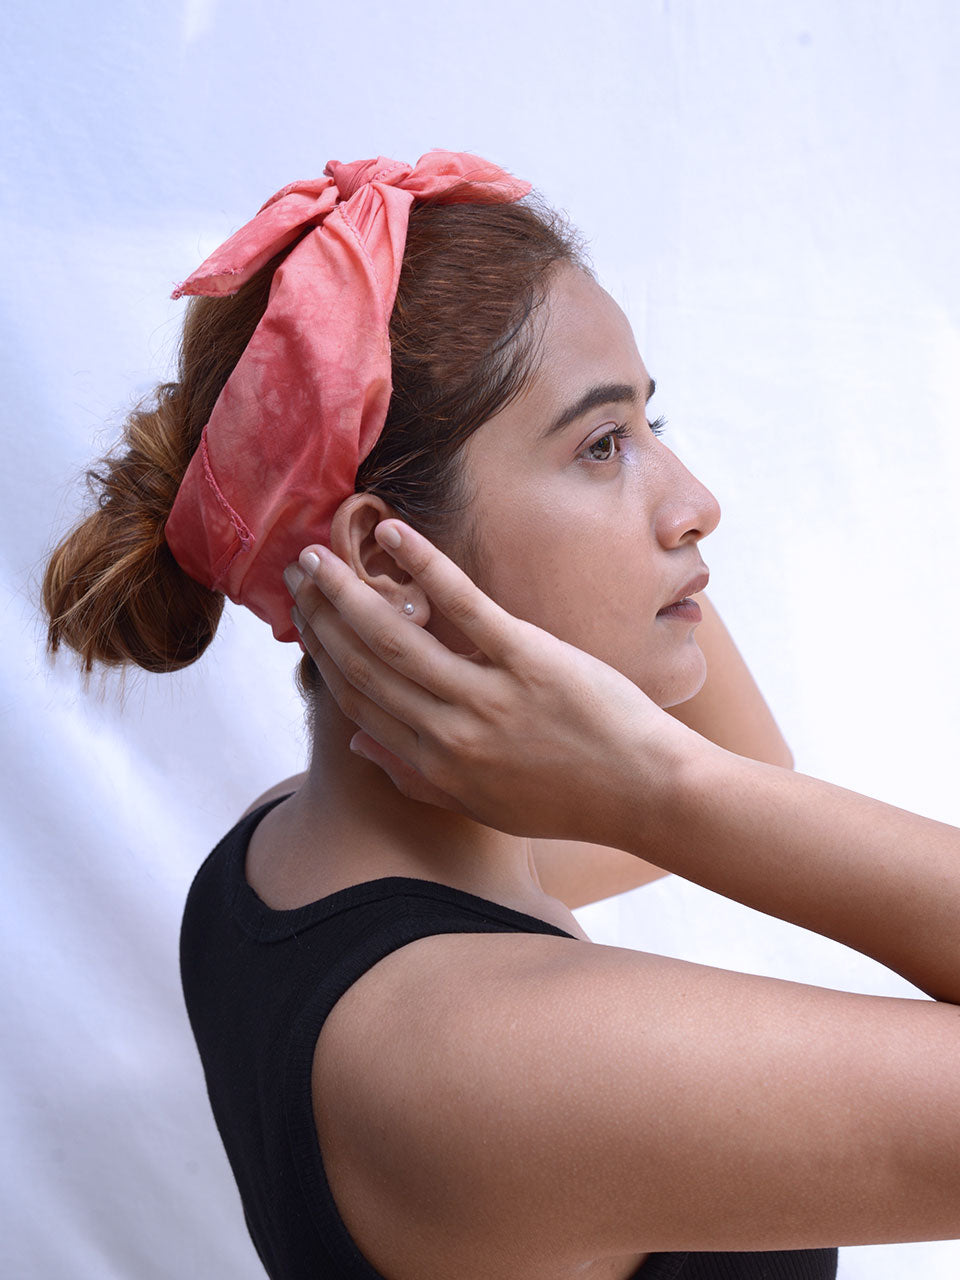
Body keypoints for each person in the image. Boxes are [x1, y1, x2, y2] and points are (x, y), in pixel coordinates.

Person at [38, 146, 958, 1280]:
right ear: (386, 555)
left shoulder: (282, 859)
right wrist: (652, 789)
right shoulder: (492, 1064)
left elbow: (745, 756)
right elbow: (723, 772)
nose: (697, 503)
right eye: (603, 445)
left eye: (655, 420)